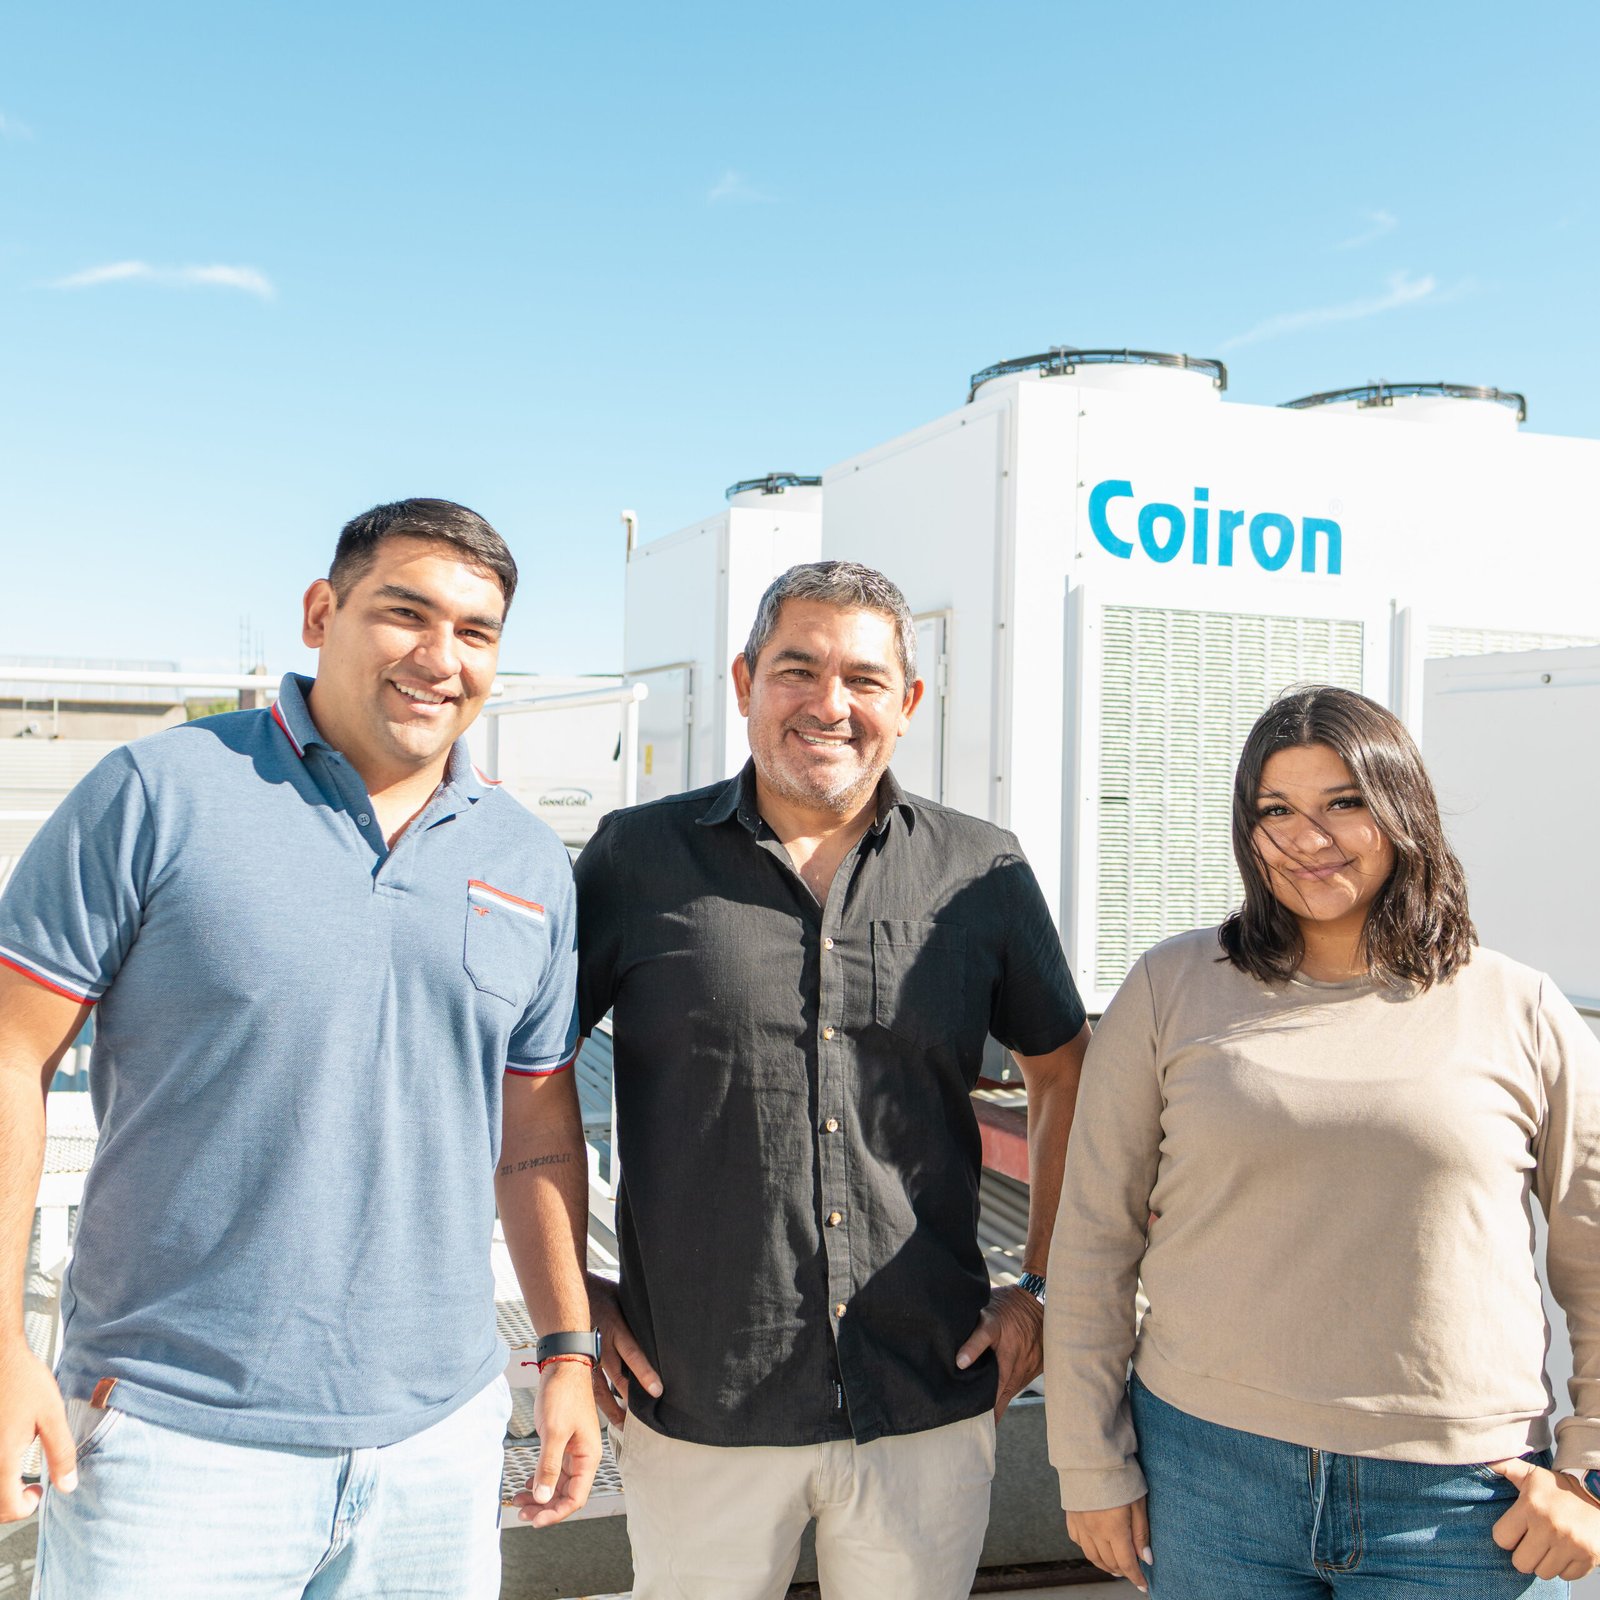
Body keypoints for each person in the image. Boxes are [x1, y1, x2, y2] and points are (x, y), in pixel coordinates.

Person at [0, 499, 601, 1597]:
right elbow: (10, 1057)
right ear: (322, 613)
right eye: (404, 613)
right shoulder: (157, 793)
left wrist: (567, 1348)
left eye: (475, 632)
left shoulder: (526, 858)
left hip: (437, 1448)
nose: (440, 657)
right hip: (174, 1442)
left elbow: (535, 1125)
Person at [574, 559, 1091, 1600]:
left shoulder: (979, 871)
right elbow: (525, 1079)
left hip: (925, 1392)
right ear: (744, 682)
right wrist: (567, 1297)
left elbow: (1068, 1074)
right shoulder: (635, 859)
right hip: (701, 1396)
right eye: (797, 670)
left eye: (863, 678)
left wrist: (1041, 1286)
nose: (829, 704)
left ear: (908, 702)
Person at [1045, 684, 1600, 1597]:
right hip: (1207, 1474)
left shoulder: (1521, 1008)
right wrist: (1089, 1462)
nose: (1308, 838)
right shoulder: (1169, 986)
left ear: (1403, 809)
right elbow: (1094, 1240)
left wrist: (1589, 1472)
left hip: (1457, 1501)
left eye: (1344, 802)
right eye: (1276, 811)